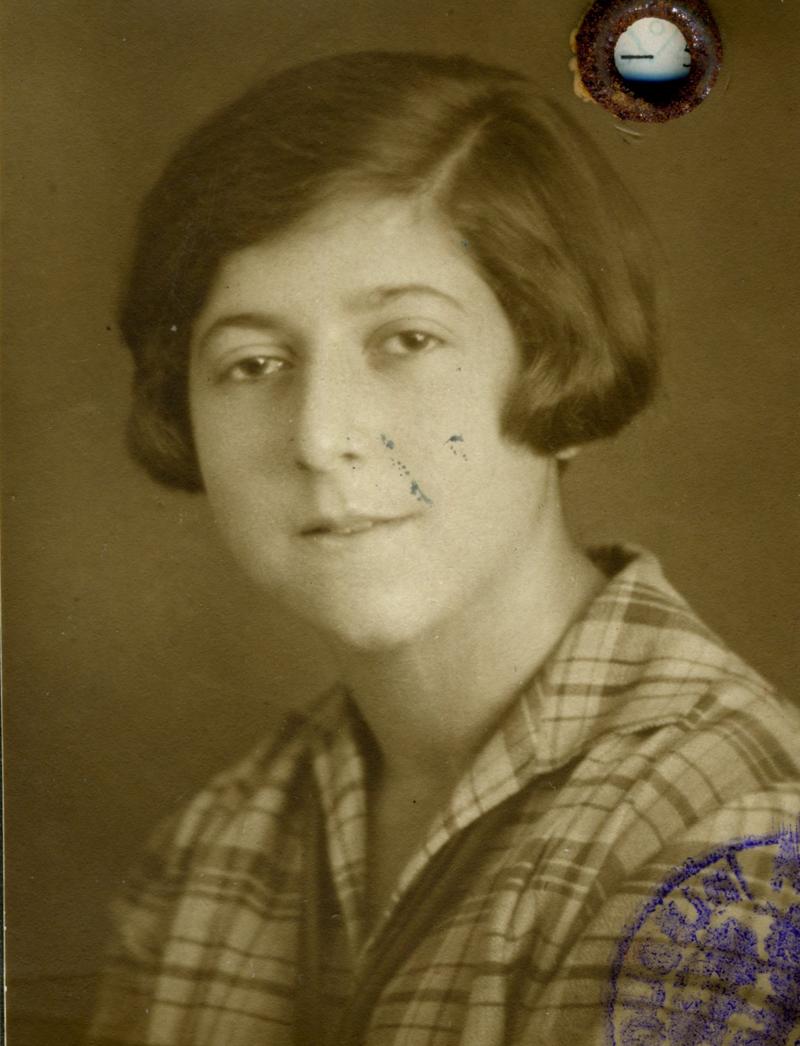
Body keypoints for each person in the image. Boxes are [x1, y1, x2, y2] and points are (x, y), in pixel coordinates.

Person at [88, 51, 800, 1046]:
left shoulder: (737, 839)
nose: (318, 436)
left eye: (407, 340)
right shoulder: (210, 849)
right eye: (252, 362)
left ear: (554, 362)